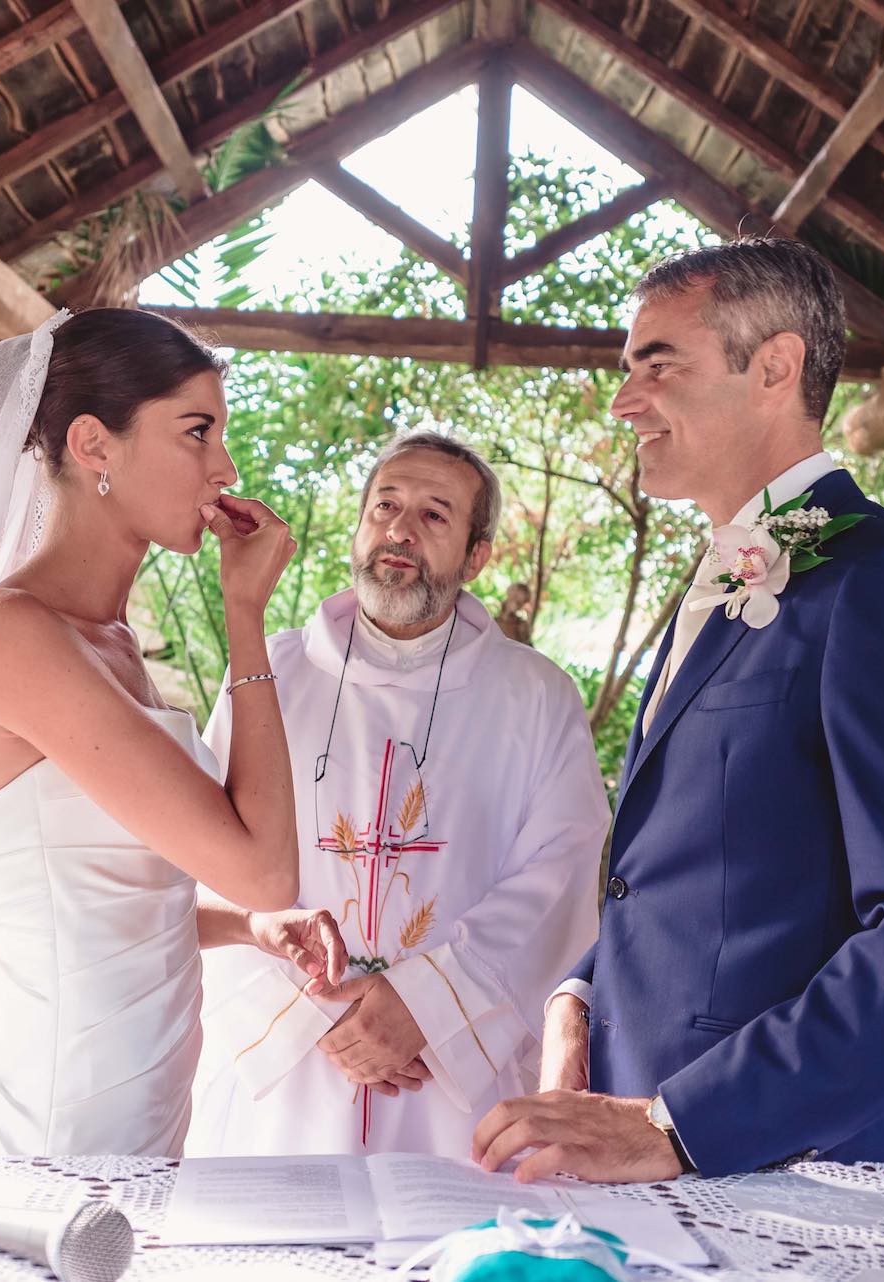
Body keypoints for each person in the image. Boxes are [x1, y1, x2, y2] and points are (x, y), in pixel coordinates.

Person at [473, 238, 884, 1182]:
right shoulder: (727, 579)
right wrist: (582, 994)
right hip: (644, 1148)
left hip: (798, 1172)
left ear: (774, 367)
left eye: (658, 366)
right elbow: (706, 874)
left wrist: (682, 1126)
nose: (623, 401)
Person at [0, 308, 351, 1156]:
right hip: (55, 1114)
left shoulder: (112, 645)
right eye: (197, 433)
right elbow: (266, 871)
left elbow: (107, 897)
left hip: (143, 1105)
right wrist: (246, 617)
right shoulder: (13, 637)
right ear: (94, 445)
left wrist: (248, 928)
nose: (226, 468)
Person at [187, 432, 609, 1160]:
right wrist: (316, 1021)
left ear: (476, 557)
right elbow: (208, 856)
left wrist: (429, 1006)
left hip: (450, 1079)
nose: (400, 530)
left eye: (435, 515)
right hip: (291, 1074)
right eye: (385, 506)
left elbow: (559, 878)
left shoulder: (536, 696)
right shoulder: (269, 672)